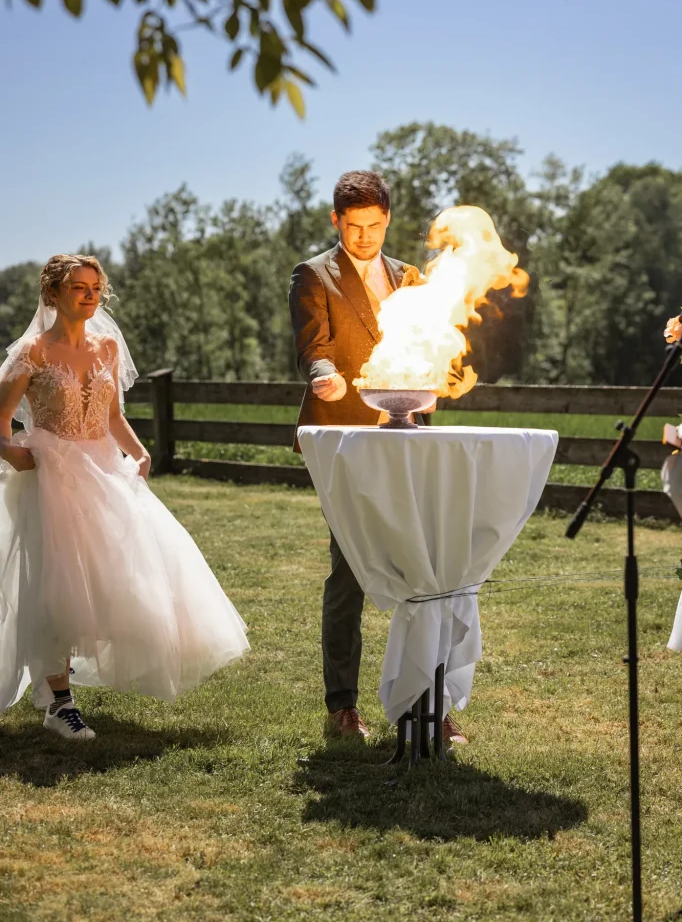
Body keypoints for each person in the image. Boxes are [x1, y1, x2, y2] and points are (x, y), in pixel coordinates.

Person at [0, 254, 249, 741]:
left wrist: (139, 452)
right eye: (79, 287)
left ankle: (62, 685)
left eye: (96, 287)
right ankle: (60, 704)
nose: (90, 295)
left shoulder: (107, 346)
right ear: (53, 293)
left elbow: (112, 417)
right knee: (57, 585)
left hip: (105, 471)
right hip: (52, 475)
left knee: (115, 578)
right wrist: (12, 454)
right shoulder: (33, 352)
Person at [288, 170, 469, 747]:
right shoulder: (313, 275)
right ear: (335, 220)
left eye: (375, 225)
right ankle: (343, 705)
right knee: (349, 572)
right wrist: (325, 377)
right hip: (344, 441)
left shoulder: (410, 277)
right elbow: (314, 347)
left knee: (424, 572)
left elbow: (433, 344)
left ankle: (429, 703)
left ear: (387, 219)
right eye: (354, 225)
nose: (365, 236)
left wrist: (442, 376)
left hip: (409, 440)